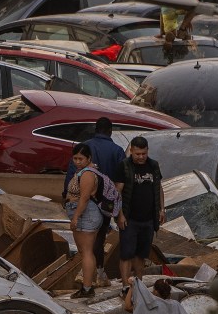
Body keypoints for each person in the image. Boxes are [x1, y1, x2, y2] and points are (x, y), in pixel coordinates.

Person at [63, 117, 126, 287]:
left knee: (86, 247)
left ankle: (90, 278)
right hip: (105, 203)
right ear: (110, 131)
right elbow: (122, 179)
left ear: (95, 130)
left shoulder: (82, 150)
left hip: (82, 204)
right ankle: (96, 273)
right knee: (97, 238)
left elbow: (71, 176)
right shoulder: (117, 150)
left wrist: (67, 200)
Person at [114, 136, 165, 293]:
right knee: (126, 254)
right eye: (137, 154)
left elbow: (159, 188)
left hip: (148, 219)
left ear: (147, 151)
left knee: (141, 255)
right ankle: (125, 286)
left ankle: (138, 285)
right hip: (130, 219)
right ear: (131, 151)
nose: (141, 157)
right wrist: (120, 215)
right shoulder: (125, 166)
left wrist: (162, 209)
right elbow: (117, 192)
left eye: (143, 153)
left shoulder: (153, 166)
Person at [65, 143, 104, 300]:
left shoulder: (87, 173)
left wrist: (75, 217)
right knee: (85, 252)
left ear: (89, 158)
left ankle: (87, 288)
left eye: (81, 158)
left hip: (85, 214)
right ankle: (88, 284)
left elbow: (85, 197)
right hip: (83, 213)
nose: (77, 161)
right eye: (75, 158)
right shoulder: (83, 171)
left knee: (86, 252)